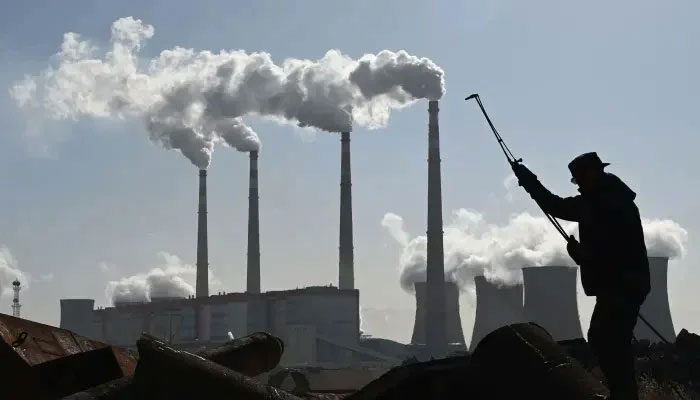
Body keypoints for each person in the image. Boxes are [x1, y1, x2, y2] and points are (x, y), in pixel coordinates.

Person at [512, 152, 650, 400]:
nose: (578, 186)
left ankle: (623, 395)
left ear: (592, 175)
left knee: (606, 340)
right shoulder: (614, 199)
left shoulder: (600, 203)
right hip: (625, 285)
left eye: (578, 180)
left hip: (619, 285)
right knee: (607, 340)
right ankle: (622, 394)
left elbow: (556, 206)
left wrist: (581, 255)